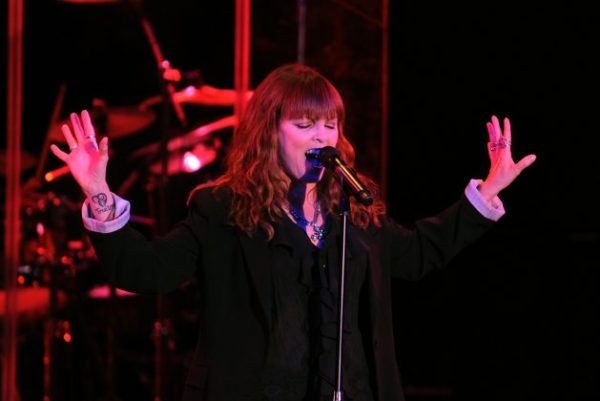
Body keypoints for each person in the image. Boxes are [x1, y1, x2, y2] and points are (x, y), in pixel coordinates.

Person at [50, 63, 536, 401]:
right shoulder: (224, 211)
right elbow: (145, 270)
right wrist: (98, 191)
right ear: (270, 132)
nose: (322, 136)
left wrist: (486, 191)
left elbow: (418, 254)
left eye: (330, 125)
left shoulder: (353, 210)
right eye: (305, 124)